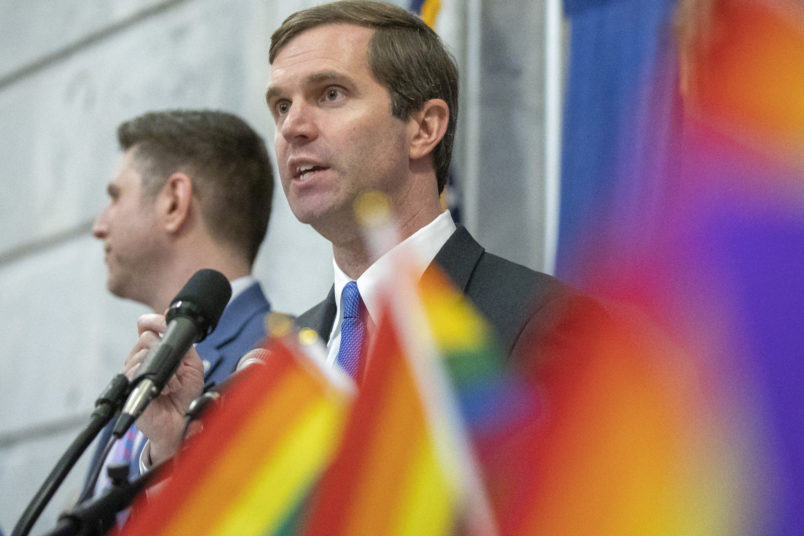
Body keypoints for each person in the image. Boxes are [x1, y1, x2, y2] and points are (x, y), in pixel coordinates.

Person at [130, 0, 597, 470]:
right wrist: (175, 450)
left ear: (424, 128)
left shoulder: (546, 323)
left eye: (331, 94)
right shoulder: (272, 363)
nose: (292, 127)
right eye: (282, 106)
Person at [85, 109, 275, 495]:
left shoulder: (272, 360)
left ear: (174, 201)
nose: (98, 226)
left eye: (115, 197)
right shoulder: (142, 368)